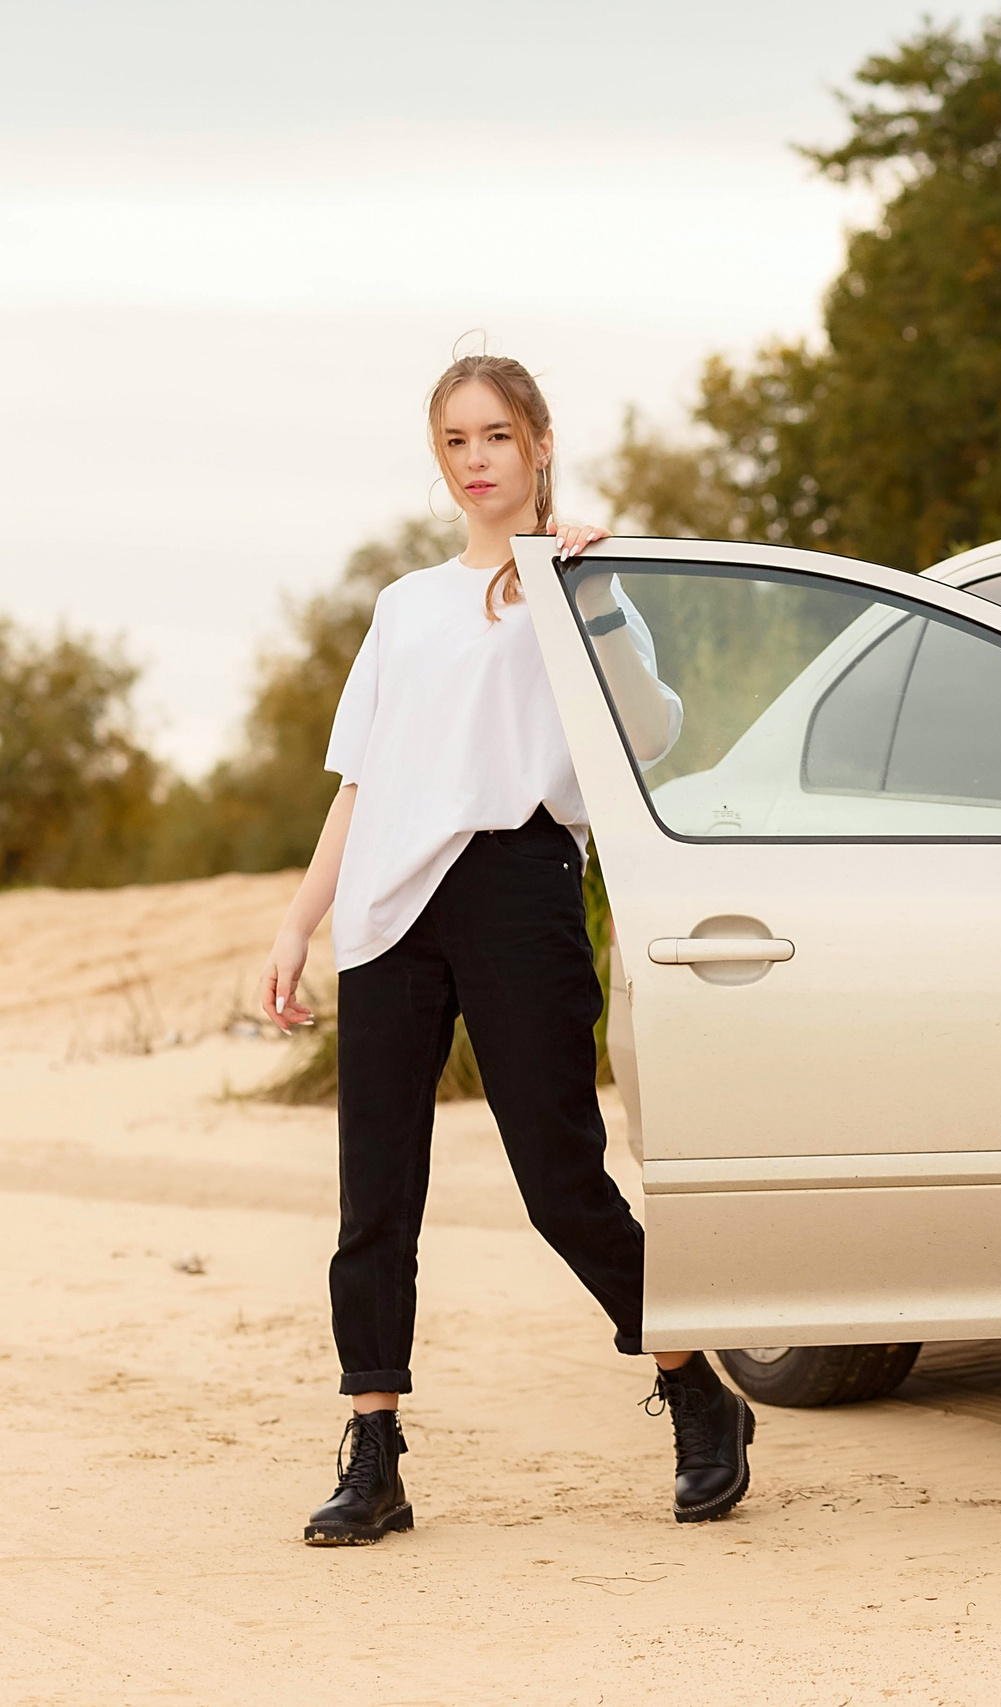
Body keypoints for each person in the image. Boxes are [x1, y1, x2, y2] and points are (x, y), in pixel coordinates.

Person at [259, 353, 753, 1545]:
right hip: (389, 904)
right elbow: (361, 784)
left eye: (494, 436)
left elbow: (653, 730)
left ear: (537, 442)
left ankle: (694, 1385)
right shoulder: (405, 606)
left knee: (559, 1180)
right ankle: (374, 1448)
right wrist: (297, 922)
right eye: (453, 442)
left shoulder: (581, 580)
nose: (474, 460)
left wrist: (577, 597)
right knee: (375, 1196)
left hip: (517, 884)